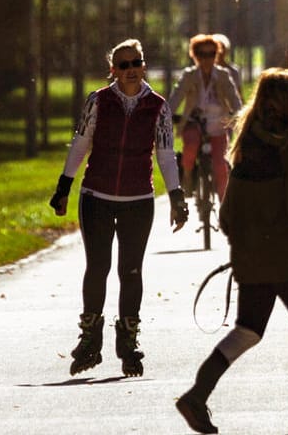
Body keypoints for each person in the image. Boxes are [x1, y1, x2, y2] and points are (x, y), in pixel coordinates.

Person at [175, 69, 288, 434]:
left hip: (253, 259)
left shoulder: (247, 146)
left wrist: (248, 245)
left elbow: (227, 215)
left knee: (248, 330)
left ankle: (197, 395)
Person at [48, 39, 187, 377]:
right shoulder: (98, 101)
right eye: (123, 65)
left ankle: (128, 342)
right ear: (113, 69)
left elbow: (166, 155)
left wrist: (177, 196)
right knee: (97, 268)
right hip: (96, 194)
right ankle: (90, 341)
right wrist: (64, 187)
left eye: (135, 63)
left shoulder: (158, 106)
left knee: (131, 271)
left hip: (138, 199)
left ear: (144, 65)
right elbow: (81, 142)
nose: (130, 70)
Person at [177, 32, 244, 199]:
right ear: (195, 55)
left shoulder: (223, 75)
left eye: (211, 54)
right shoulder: (189, 75)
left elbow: (234, 99)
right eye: (201, 54)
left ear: (217, 55)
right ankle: (187, 178)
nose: (206, 59)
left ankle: (224, 207)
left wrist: (240, 115)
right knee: (190, 148)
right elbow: (176, 96)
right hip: (195, 122)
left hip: (218, 125)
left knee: (221, 167)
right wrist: (167, 115)